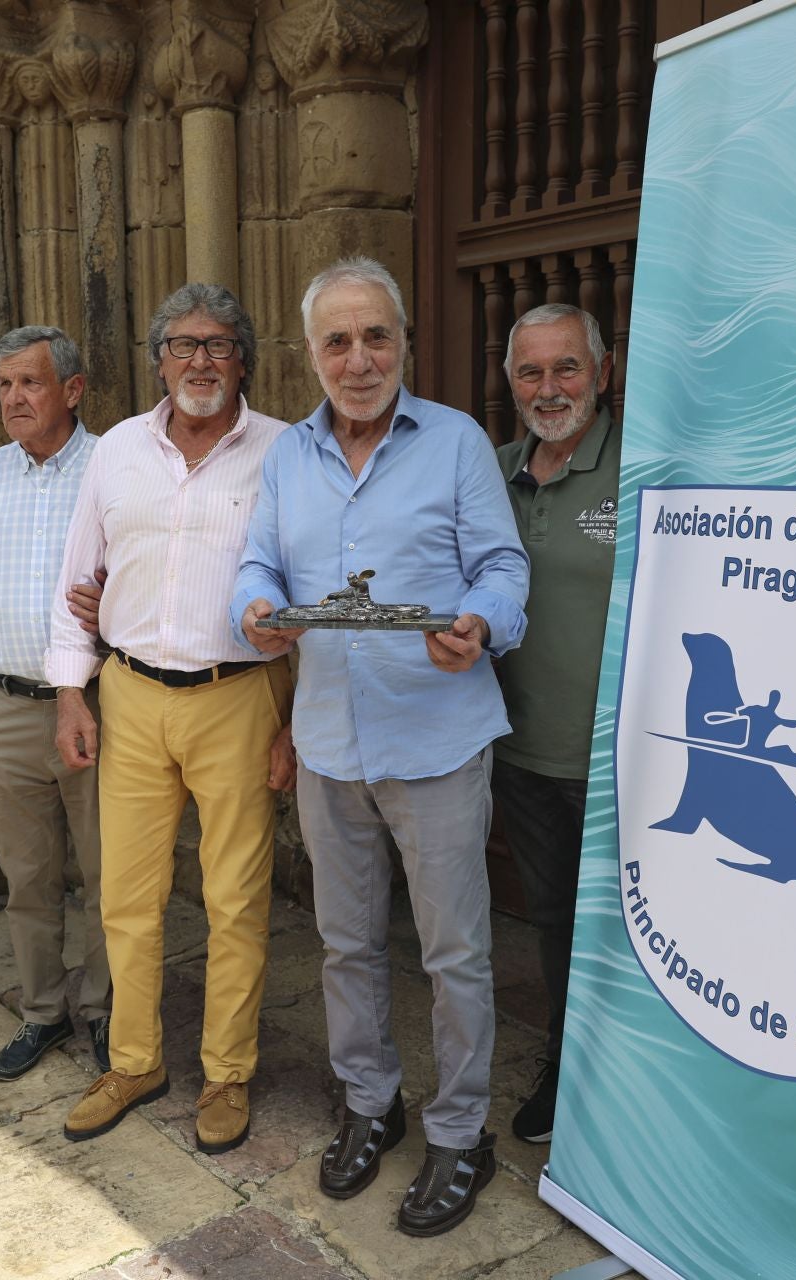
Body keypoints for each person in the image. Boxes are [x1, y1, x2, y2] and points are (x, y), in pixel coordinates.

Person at [232, 257, 530, 1237]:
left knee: (454, 953)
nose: (357, 359)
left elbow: (501, 565)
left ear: (402, 343)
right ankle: (371, 1102)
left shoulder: (453, 444)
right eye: (337, 340)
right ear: (310, 352)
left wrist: (481, 623)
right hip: (328, 740)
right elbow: (260, 560)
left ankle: (459, 1130)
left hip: (438, 738)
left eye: (376, 337)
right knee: (346, 942)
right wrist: (258, 609)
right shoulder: (287, 457)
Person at [46, 283, 294, 1155]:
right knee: (127, 896)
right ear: (157, 359)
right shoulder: (117, 451)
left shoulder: (284, 453)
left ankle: (227, 1073)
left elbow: (303, 589)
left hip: (237, 696)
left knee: (236, 901)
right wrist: (73, 691)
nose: (200, 361)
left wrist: (291, 721)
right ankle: (134, 1059)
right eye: (183, 345)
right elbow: (79, 579)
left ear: (244, 360)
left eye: (219, 345)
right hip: (133, 697)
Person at [0, 325, 110, 1080]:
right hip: (3, 708)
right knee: (28, 880)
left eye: (30, 383)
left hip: (99, 706)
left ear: (71, 390)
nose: (13, 398)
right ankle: (43, 1013)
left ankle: (109, 1014)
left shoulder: (116, 465)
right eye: (5, 385)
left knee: (112, 878)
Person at [491, 303, 621, 1144]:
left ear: (602, 373)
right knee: (555, 916)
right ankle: (568, 1064)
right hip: (519, 750)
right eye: (531, 372)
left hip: (624, 756)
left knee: (625, 926)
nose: (550, 388)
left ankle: (631, 1077)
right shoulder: (488, 470)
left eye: (566, 367)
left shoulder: (645, 470)